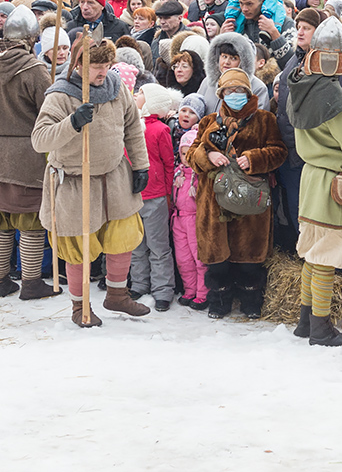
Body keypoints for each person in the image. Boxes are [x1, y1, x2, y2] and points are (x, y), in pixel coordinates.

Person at [32, 35, 152, 327]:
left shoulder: (116, 87)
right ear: (78, 64)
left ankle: (117, 295)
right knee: (78, 248)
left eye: (106, 64)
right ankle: (79, 306)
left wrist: (141, 165)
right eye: (95, 66)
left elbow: (133, 127)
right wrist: (71, 123)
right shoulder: (59, 95)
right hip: (75, 180)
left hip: (114, 175)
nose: (102, 71)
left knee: (122, 237)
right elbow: (39, 140)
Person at [287, 17, 342, 344]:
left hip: (311, 179)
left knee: (313, 253)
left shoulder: (300, 84)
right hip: (331, 182)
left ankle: (306, 321)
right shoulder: (332, 96)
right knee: (325, 257)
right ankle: (321, 328)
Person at [0, 8, 62, 300]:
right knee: (30, 223)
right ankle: (31, 282)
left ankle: (0, 281)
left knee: (0, 220)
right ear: (29, 38)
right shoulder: (34, 68)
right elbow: (48, 111)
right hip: (28, 152)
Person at [188, 68, 287, 321]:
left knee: (249, 257)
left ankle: (251, 301)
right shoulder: (208, 122)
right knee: (217, 258)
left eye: (239, 90)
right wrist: (208, 155)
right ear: (221, 93)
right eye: (229, 91)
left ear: (248, 92)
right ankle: (219, 301)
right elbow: (191, 154)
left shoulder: (265, 120)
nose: (234, 95)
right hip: (214, 202)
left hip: (250, 200)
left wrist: (253, 159)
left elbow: (278, 151)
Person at [132, 83, 179, 310]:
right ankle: (139, 284)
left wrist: (168, 193)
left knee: (158, 245)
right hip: (132, 195)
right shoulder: (129, 126)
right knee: (136, 244)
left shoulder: (160, 130)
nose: (136, 95)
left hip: (155, 195)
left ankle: (163, 290)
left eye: (141, 93)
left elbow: (168, 163)